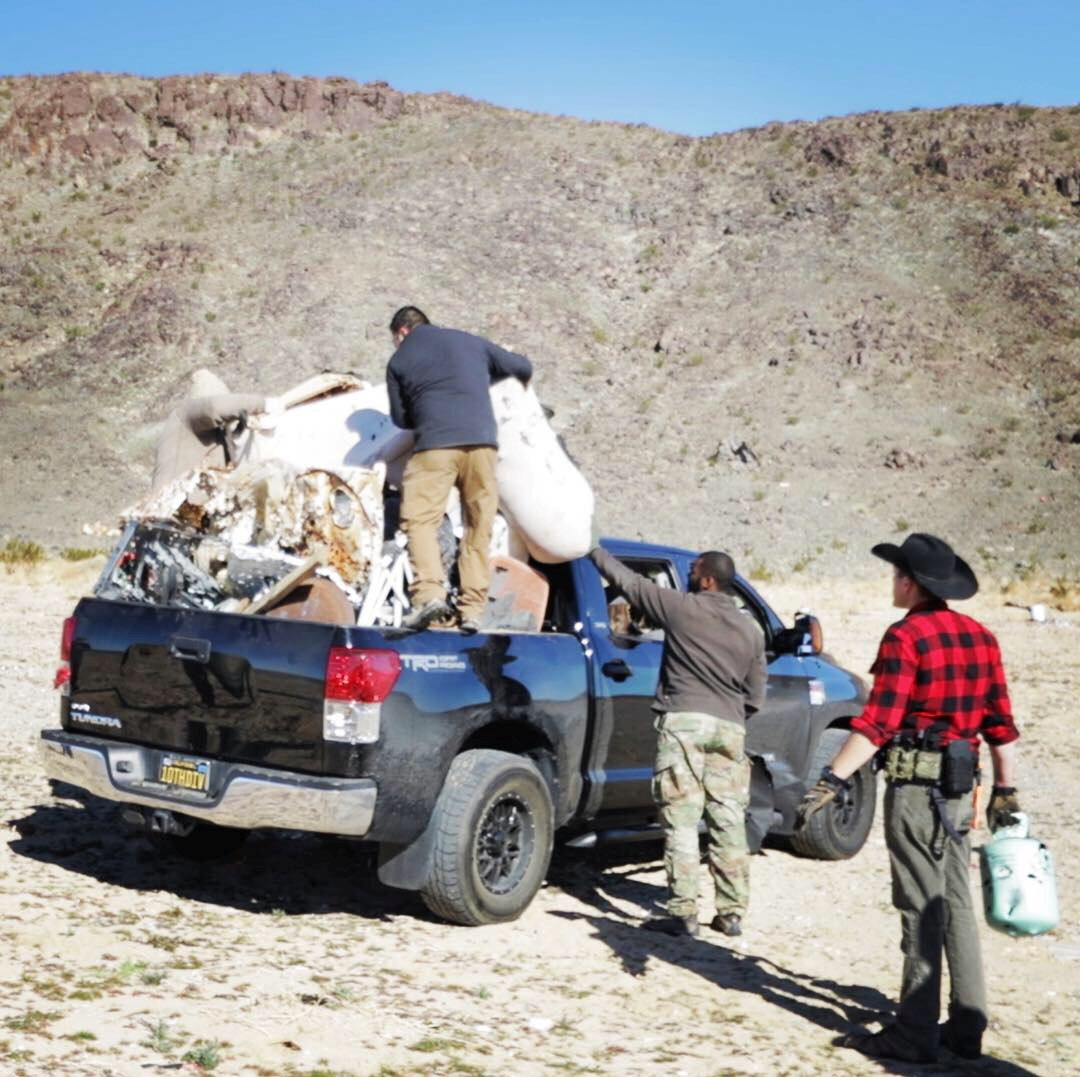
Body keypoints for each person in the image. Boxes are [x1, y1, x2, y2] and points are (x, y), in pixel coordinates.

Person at [798, 532, 1021, 1065]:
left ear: (910, 583)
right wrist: (1006, 790)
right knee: (956, 905)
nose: (892, 582)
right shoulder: (982, 637)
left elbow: (877, 724)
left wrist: (830, 780)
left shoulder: (906, 638)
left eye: (897, 574)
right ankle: (967, 1026)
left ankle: (915, 1032)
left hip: (918, 793)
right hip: (961, 790)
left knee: (919, 907)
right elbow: (1002, 727)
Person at [589, 545, 767, 938]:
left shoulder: (683, 608)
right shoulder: (750, 631)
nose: (688, 575)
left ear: (707, 580)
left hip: (685, 722)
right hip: (730, 727)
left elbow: (628, 583)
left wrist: (590, 548)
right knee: (727, 818)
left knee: (682, 818)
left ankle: (684, 913)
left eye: (694, 570)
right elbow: (756, 696)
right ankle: (731, 913)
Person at [386, 306, 532, 633]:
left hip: (435, 447)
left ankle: (429, 595)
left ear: (402, 333)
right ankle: (473, 610)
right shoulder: (469, 342)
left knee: (420, 520)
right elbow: (521, 366)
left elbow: (400, 418)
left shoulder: (399, 360)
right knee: (478, 526)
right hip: (483, 447)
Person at [151, 369, 278, 492]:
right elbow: (213, 406)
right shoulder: (185, 414)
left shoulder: (216, 433)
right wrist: (264, 404)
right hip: (170, 502)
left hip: (189, 503)